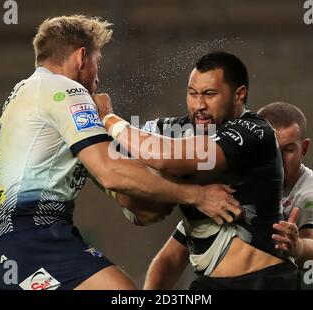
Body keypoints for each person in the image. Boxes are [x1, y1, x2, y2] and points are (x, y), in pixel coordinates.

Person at [0, 16, 240, 290]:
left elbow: (135, 204)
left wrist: (172, 184)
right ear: (81, 57)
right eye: (98, 62)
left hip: (15, 249)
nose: (97, 77)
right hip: (38, 242)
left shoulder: (29, 96)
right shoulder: (63, 89)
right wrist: (197, 195)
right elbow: (112, 173)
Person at [94, 51, 299, 289]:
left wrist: (109, 119)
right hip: (207, 285)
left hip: (263, 282)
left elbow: (165, 157)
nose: (199, 105)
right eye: (192, 94)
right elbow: (115, 155)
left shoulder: (255, 132)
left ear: (239, 95)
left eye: (209, 94)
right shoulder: (176, 129)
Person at [258, 102, 313, 290]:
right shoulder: (243, 184)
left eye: (288, 150)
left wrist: (297, 246)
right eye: (271, 149)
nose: (278, 160)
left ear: (304, 148)